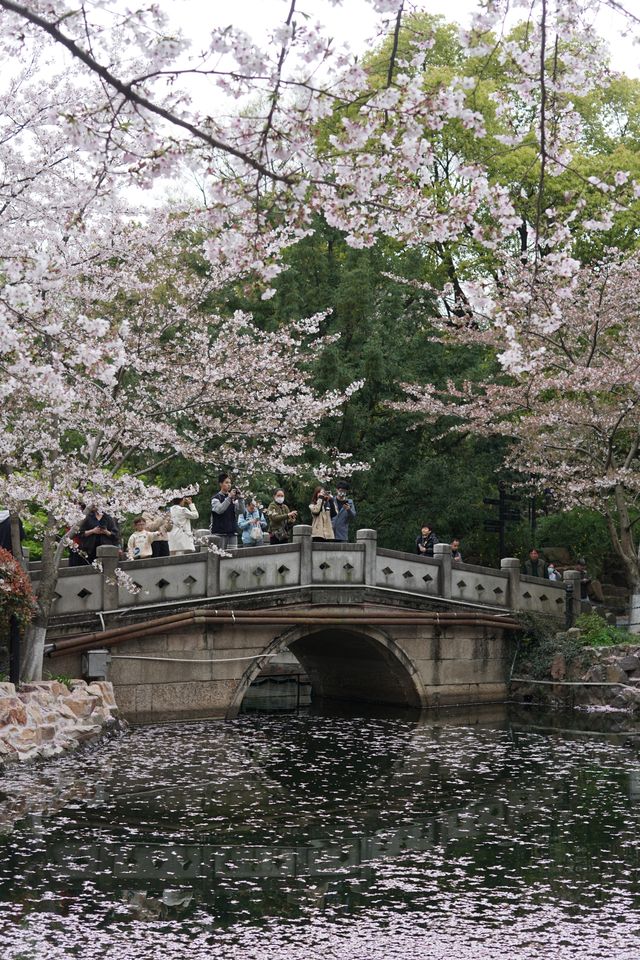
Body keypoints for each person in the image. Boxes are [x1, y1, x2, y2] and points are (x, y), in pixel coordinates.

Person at [210, 473, 244, 550]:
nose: (229, 485)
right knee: (220, 557)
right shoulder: (215, 498)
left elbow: (241, 511)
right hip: (219, 533)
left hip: (232, 533)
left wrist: (241, 499)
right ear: (221, 484)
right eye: (226, 482)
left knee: (233, 556)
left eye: (230, 483)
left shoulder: (233, 498)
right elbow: (219, 510)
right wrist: (229, 498)